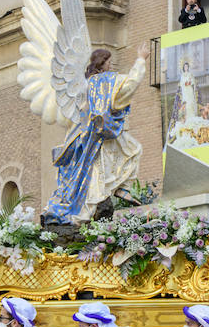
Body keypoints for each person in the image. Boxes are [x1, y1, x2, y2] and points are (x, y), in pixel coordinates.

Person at [44, 47, 148, 224]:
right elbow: (130, 84)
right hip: (102, 135)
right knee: (106, 169)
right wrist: (140, 60)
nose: (110, 65)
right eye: (108, 61)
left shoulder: (85, 84)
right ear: (102, 63)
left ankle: (119, 189)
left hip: (87, 136)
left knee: (97, 171)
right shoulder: (105, 81)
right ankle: (86, 212)